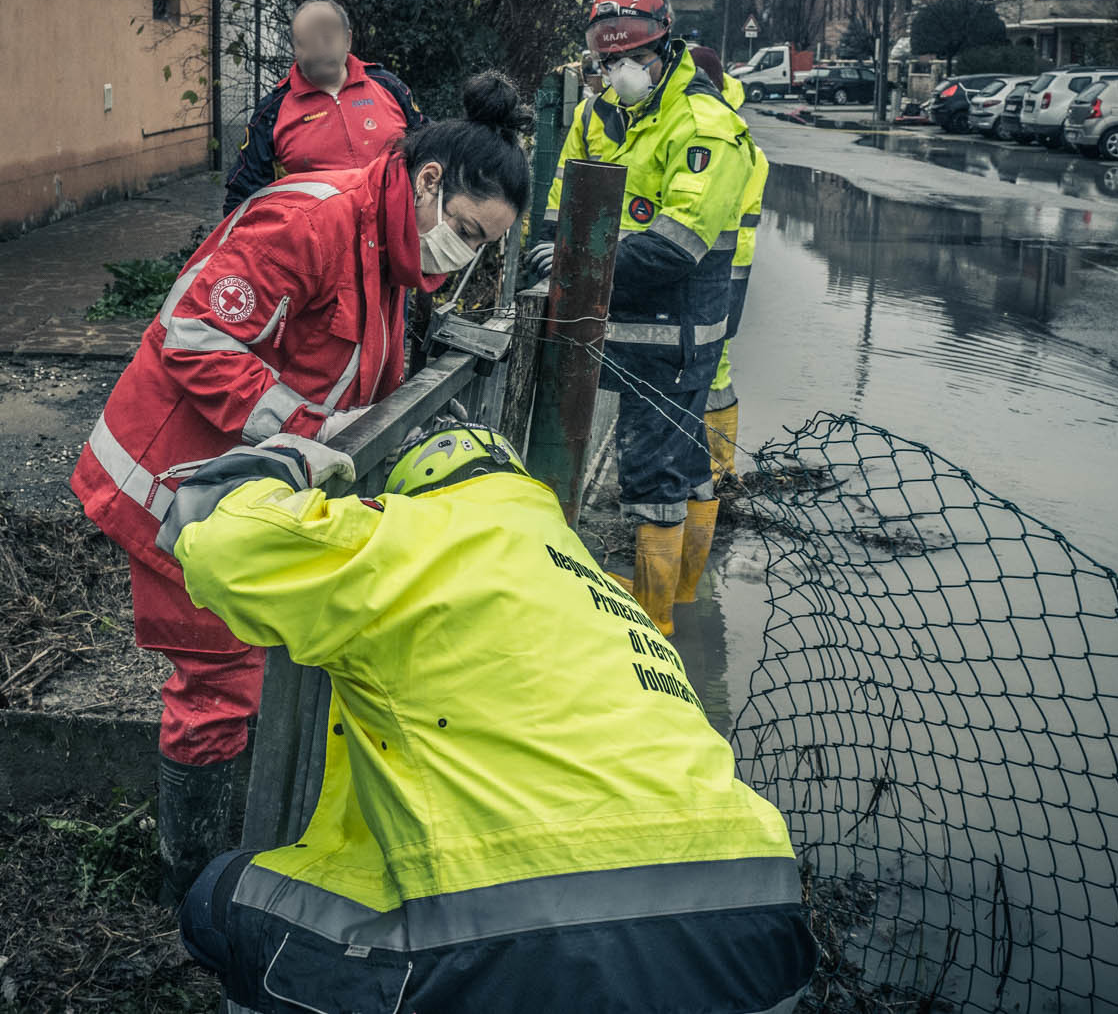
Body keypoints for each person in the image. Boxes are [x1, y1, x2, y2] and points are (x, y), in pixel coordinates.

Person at [157, 422, 815, 1013]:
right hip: (764, 942)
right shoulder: (603, 590)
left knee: (221, 901)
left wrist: (278, 466)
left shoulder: (417, 535)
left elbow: (218, 540)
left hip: (540, 961)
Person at [70, 73, 532, 905]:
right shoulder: (316, 220)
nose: (464, 255)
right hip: (175, 479)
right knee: (219, 682)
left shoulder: (387, 241)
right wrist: (298, 433)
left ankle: (227, 856)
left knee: (251, 664)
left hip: (233, 484)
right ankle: (191, 891)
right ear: (429, 181)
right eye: (465, 231)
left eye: (483, 244)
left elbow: (352, 364)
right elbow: (194, 330)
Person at [524, 0, 757, 633]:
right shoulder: (595, 116)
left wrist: (574, 267)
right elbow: (558, 207)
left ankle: (660, 621)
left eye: (632, 60)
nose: (618, 74)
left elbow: (676, 247)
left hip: (675, 334)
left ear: (666, 48)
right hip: (615, 327)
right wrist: (553, 248)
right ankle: (681, 591)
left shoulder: (705, 125)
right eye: (605, 62)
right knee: (675, 468)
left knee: (659, 474)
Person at [224, 0, 424, 215]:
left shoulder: (388, 86)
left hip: (395, 233)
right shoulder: (272, 111)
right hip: (319, 243)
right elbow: (243, 197)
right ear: (295, 48)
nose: (318, 48)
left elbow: (428, 150)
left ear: (347, 40)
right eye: (307, 42)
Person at [687, 47, 768, 485]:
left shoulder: (717, 132)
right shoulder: (735, 127)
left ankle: (714, 467)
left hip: (715, 266)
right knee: (715, 365)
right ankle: (717, 466)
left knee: (709, 365)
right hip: (733, 265)